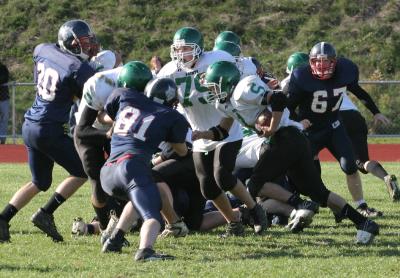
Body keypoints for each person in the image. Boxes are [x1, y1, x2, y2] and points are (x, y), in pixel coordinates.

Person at [202, 60, 379, 244]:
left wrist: (271, 127)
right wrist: (201, 134)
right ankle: (364, 223)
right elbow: (222, 130)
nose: (212, 91)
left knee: (255, 184)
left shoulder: (243, 89)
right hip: (295, 139)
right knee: (319, 193)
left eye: (214, 87)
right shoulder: (226, 103)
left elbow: (278, 99)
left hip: (285, 137)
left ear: (227, 82)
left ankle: (300, 204)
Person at [158, 26, 267, 237]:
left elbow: (239, 80)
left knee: (222, 176)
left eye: (187, 49)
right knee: (207, 187)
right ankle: (234, 222)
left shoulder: (216, 59)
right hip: (199, 134)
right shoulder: (170, 71)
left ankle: (255, 210)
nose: (182, 54)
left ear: (199, 49)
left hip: (227, 127)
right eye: (178, 50)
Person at [0, 19, 99, 243]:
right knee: (83, 171)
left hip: (30, 124)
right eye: (82, 42)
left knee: (40, 181)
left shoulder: (43, 49)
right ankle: (45, 213)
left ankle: (3, 218)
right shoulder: (78, 68)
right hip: (48, 129)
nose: (86, 46)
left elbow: (46, 81)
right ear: (70, 42)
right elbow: (84, 98)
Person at [100, 61, 189, 261]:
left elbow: (110, 118)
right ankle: (145, 251)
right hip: (132, 167)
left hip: (108, 170)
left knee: (143, 193)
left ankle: (115, 240)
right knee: (152, 215)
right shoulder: (171, 116)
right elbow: (181, 151)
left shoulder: (124, 97)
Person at [287, 42, 387, 217]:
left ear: (335, 62)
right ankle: (300, 202)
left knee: (350, 166)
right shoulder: (301, 77)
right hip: (310, 131)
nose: (321, 65)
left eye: (326, 61)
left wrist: (376, 112)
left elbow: (359, 92)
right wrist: (298, 120)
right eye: (317, 61)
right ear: (310, 62)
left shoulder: (345, 72)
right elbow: (288, 106)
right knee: (300, 170)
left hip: (334, 126)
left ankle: (361, 206)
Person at [73, 51, 124, 234]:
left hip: (115, 131)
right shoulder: (99, 83)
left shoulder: (123, 79)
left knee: (122, 175)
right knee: (97, 180)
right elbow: (82, 130)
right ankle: (103, 226)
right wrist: (110, 132)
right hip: (89, 132)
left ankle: (121, 218)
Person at [0, 62, 10, 144]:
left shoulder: (3, 68)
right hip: (4, 98)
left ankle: (2, 139)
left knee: (5, 118)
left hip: (4, 98)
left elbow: (5, 78)